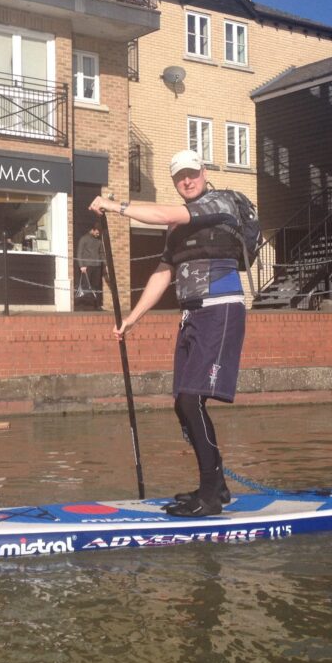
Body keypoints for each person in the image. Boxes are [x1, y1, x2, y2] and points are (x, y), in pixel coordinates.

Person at [89, 149, 248, 517]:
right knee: (182, 401)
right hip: (191, 316)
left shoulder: (218, 201)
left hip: (220, 310)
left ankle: (209, 498)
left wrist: (115, 206)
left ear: (204, 172)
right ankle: (217, 485)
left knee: (192, 399)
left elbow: (161, 212)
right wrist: (133, 318)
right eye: (180, 177)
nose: (187, 181)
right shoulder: (178, 229)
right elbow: (163, 273)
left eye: (192, 174)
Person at [76, 222, 106, 310]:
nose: (98, 234)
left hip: (97, 266)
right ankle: (85, 306)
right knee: (86, 286)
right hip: (87, 267)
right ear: (92, 230)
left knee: (96, 286)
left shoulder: (99, 241)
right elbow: (79, 253)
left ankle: (96, 305)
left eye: (99, 232)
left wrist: (105, 264)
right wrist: (81, 266)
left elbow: (102, 253)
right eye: (97, 232)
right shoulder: (84, 239)